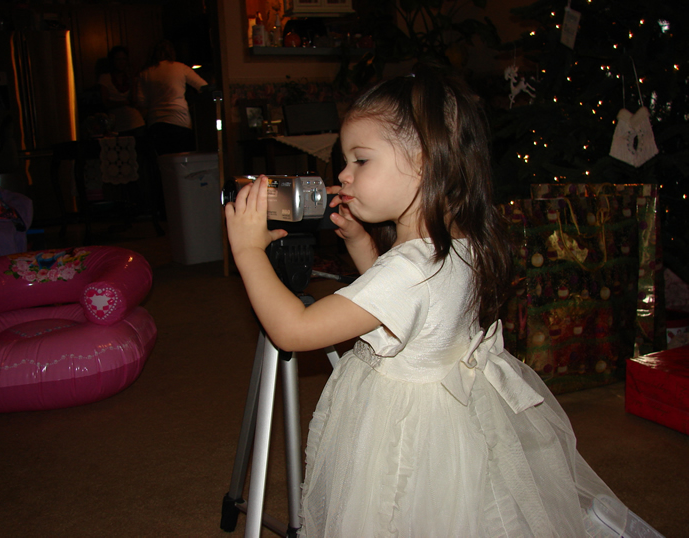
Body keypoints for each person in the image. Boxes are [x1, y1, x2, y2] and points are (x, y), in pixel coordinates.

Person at [224, 64, 637, 536]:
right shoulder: (459, 242)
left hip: (403, 422)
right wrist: (360, 243)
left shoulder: (407, 271)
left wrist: (248, 251)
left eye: (361, 160)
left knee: (390, 511)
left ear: (424, 162)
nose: (342, 173)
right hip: (450, 416)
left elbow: (293, 329)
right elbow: (408, 311)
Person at [136, 39, 209, 156]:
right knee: (182, 158)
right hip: (179, 120)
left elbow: (141, 101)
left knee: (163, 160)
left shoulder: (145, 73)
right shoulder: (181, 68)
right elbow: (203, 86)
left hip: (156, 122)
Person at [97, 46, 145, 136]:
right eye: (118, 59)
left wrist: (133, 81)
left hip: (135, 122)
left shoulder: (129, 78)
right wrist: (125, 102)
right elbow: (105, 103)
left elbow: (134, 100)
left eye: (124, 59)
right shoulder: (105, 78)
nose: (121, 62)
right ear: (112, 61)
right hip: (117, 124)